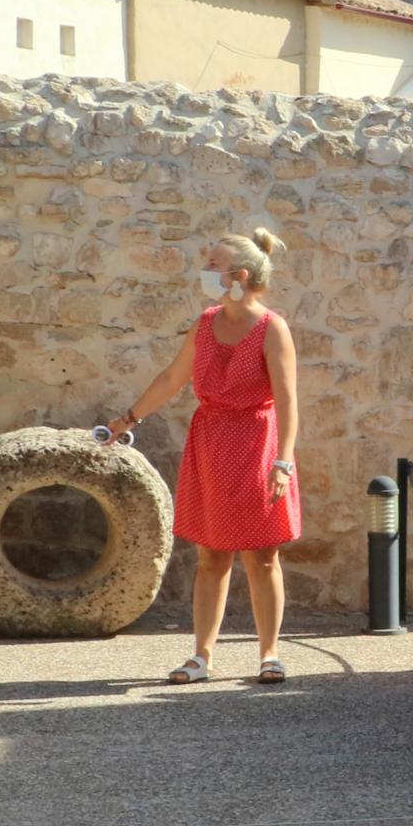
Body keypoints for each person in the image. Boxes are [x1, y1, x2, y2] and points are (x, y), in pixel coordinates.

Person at [109, 228, 302, 685]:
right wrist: (129, 418)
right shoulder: (205, 323)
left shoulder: (271, 328)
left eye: (213, 264)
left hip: (258, 446)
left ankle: (269, 655)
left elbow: (289, 400)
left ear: (240, 275)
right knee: (211, 557)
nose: (206, 270)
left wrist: (283, 460)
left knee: (262, 557)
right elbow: (173, 376)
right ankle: (201, 657)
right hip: (211, 445)